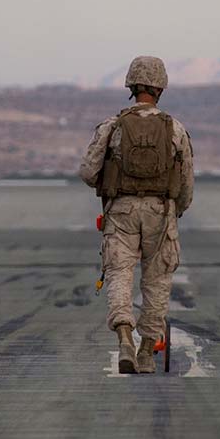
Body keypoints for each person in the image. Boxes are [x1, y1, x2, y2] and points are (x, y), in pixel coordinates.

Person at [79, 56, 194, 373]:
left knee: (119, 275)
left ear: (131, 86)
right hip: (160, 213)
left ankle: (125, 340)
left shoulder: (112, 126)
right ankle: (145, 353)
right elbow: (185, 186)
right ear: (160, 88)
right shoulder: (176, 129)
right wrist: (173, 213)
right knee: (157, 282)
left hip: (121, 212)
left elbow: (88, 171)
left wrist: (111, 184)